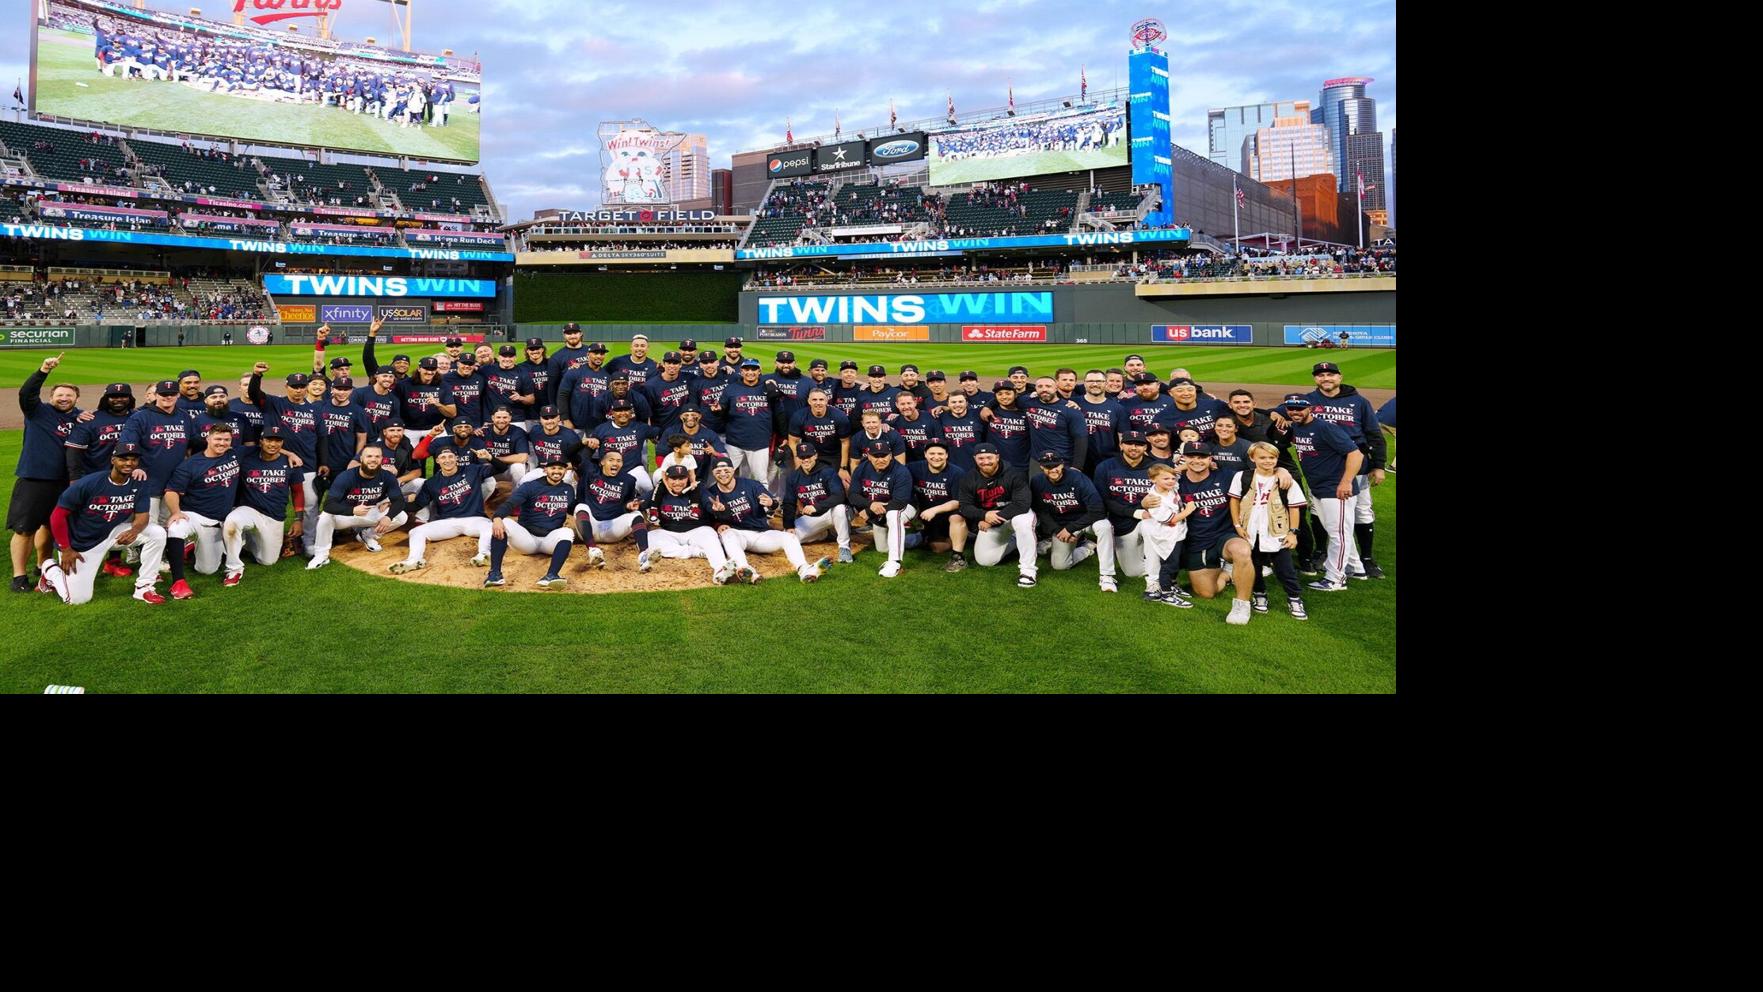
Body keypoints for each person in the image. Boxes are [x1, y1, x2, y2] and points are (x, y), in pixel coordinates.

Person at [40, 443, 167, 605]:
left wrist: (134, 530)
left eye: (133, 460)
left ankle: (144, 587)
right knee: (77, 599)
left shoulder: (138, 484)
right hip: (82, 543)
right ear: (113, 460)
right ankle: (50, 569)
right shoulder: (90, 483)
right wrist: (65, 548)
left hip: (112, 534)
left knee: (157, 533)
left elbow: (143, 516)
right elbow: (57, 516)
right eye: (124, 459)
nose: (129, 463)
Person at [1151, 441, 1259, 624]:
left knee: (1242, 551)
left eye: (1202, 457)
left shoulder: (1227, 476)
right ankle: (1228, 573)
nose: (1197, 460)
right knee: (1206, 593)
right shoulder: (1176, 483)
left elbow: (1262, 474)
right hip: (1196, 541)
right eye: (1192, 456)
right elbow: (1153, 489)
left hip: (1224, 535)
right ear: (1184, 458)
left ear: (1210, 459)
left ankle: (1242, 605)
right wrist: (1146, 503)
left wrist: (1282, 471)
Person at [1306, 361, 1387, 578]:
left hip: (1357, 465)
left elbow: (1374, 434)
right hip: (1322, 467)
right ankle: (1322, 552)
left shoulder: (1359, 402)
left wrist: (1378, 466)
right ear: (1315, 379)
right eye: (1321, 375)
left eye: (1330, 374)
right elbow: (1285, 413)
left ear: (1339, 377)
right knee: (1319, 511)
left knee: (1361, 510)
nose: (1326, 378)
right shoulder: (1309, 401)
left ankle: (1366, 558)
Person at [12, 353, 82, 592]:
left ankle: (43, 566)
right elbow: (26, 394)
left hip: (64, 482)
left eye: (69, 395)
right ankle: (19, 576)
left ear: (76, 399)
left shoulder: (79, 417)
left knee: (52, 526)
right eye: (60, 395)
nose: (64, 398)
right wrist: (43, 370)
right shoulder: (37, 412)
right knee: (25, 528)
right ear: (51, 397)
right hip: (35, 478)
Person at [1282, 393, 1365, 592]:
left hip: (1336, 488)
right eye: (1291, 408)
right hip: (1319, 488)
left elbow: (1356, 454)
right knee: (1337, 531)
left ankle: (1335, 579)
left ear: (1309, 408)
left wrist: (1345, 482)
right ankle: (1357, 568)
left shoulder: (1325, 428)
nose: (1295, 412)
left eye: (1300, 408)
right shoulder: (1296, 427)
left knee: (1339, 535)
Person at [701, 456, 826, 583]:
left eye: (726, 471)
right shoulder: (711, 493)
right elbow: (706, 518)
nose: (723, 474)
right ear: (713, 473)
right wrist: (718, 524)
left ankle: (804, 569)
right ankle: (746, 570)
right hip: (737, 535)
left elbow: (774, 504)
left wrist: (771, 502)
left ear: (733, 470)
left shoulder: (751, 485)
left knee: (789, 537)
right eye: (718, 472)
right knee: (727, 534)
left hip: (761, 533)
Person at [119, 379, 194, 567]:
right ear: (156, 395)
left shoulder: (184, 417)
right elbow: (127, 444)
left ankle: (158, 555)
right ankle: (149, 560)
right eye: (163, 394)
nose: (168, 397)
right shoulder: (141, 417)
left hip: (173, 481)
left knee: (165, 520)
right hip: (148, 479)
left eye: (172, 394)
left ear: (178, 395)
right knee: (149, 524)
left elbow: (191, 445)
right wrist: (135, 466)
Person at [1229, 441, 1308, 621]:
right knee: (1253, 566)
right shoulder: (1242, 477)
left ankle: (1294, 598)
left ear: (1277, 459)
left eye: (1271, 458)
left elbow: (1294, 508)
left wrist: (1292, 532)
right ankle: (1260, 594)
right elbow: (1234, 501)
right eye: (1262, 457)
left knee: (1285, 569)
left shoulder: (1285, 480)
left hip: (1276, 532)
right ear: (1252, 458)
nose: (1267, 461)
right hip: (1250, 531)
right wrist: (1237, 526)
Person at [161, 422, 241, 599]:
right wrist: (175, 512)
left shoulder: (235, 455)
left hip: (220, 521)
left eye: (226, 439)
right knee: (176, 527)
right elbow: (172, 491)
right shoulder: (191, 464)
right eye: (218, 439)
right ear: (208, 438)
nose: (222, 443)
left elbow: (268, 447)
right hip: (195, 515)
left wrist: (289, 453)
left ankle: (190, 547)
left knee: (207, 570)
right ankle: (178, 583)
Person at [391, 447, 495, 573]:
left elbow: (501, 468)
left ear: (457, 459)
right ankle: (414, 561)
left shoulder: (472, 470)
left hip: (474, 519)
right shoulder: (432, 483)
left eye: (451, 456)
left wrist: (490, 458)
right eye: (443, 457)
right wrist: (395, 505)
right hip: (448, 522)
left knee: (489, 527)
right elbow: (417, 505)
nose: (447, 460)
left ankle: (484, 554)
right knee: (416, 532)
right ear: (437, 461)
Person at [222, 425, 303, 586]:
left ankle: (246, 542)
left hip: (274, 516)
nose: (273, 444)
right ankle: (233, 569)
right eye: (269, 440)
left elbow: (298, 492)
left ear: (283, 443)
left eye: (278, 441)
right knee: (232, 522)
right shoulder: (246, 455)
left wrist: (298, 519)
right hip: (249, 509)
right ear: (261, 441)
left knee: (268, 561)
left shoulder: (291, 463)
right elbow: (223, 448)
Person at [308, 443, 409, 569]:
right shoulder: (346, 477)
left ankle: (368, 535)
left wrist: (388, 517)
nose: (373, 459)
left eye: (377, 456)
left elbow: (399, 501)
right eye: (369, 456)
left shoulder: (387, 476)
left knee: (401, 516)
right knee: (325, 517)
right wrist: (352, 510)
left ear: (382, 459)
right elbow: (328, 505)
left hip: (370, 511)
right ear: (361, 459)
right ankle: (321, 555)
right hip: (346, 515)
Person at [486, 457, 577, 589]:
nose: (557, 471)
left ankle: (551, 575)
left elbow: (571, 507)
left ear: (565, 471)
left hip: (549, 541)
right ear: (545, 470)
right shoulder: (530, 486)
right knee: (504, 522)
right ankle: (495, 574)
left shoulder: (568, 489)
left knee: (567, 532)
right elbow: (511, 503)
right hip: (526, 540)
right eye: (553, 468)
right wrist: (498, 517)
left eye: (560, 468)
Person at [956, 442, 1038, 588]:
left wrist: (992, 518)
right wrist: (983, 515)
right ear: (975, 459)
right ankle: (1019, 541)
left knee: (1023, 522)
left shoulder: (1015, 474)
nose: (985, 461)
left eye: (989, 457)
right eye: (981, 458)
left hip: (1015, 515)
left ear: (997, 457)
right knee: (985, 560)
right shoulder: (969, 478)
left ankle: (1028, 571)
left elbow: (1022, 504)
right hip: (990, 519)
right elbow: (964, 506)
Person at [644, 464, 736, 585]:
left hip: (697, 530)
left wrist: (716, 508)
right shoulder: (659, 490)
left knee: (710, 535)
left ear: (688, 478)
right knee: (649, 538)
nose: (678, 482)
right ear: (666, 479)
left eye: (682, 478)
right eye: (674, 478)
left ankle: (720, 569)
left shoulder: (698, 488)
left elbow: (711, 505)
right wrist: (631, 504)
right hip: (669, 532)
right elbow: (640, 502)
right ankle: (694, 552)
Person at [571, 448, 654, 571]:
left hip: (612, 529)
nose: (615, 463)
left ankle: (644, 555)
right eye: (611, 460)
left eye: (619, 461)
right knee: (581, 507)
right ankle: (593, 550)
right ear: (602, 462)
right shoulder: (590, 472)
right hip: (590, 527)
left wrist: (629, 506)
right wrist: (588, 446)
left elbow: (627, 503)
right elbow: (573, 455)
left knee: (636, 515)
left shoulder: (628, 480)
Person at [1029, 450, 1106, 582]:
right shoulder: (1037, 481)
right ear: (1041, 466)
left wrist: (1070, 529)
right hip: (1061, 526)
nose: (1053, 470)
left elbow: (1098, 510)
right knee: (1060, 565)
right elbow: (1041, 510)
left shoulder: (1078, 478)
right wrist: (1057, 530)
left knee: (1104, 526)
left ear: (1062, 464)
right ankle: (1086, 548)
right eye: (1048, 467)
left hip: (1084, 521)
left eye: (1056, 466)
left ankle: (1105, 569)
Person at [848, 438, 916, 577]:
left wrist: (869, 510)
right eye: (876, 456)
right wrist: (870, 505)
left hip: (905, 507)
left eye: (884, 455)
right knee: (882, 548)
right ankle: (918, 538)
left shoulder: (901, 471)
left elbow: (900, 501)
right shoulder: (861, 468)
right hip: (876, 508)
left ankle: (895, 562)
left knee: (893, 516)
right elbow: (853, 495)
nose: (881, 459)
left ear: (890, 455)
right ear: (869, 456)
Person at [782, 441, 852, 564]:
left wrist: (816, 507)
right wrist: (789, 526)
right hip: (813, 518)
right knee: (787, 538)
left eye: (808, 456)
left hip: (832, 513)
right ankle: (824, 534)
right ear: (798, 458)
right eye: (802, 457)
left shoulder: (827, 471)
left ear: (815, 455)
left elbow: (839, 496)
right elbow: (789, 502)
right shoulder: (793, 477)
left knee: (840, 508)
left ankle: (844, 548)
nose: (805, 460)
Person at [1138, 462, 1195, 607]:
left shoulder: (1170, 487)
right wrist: (1188, 510)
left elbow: (1177, 474)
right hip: (1165, 536)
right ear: (1153, 479)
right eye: (1166, 479)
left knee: (1177, 563)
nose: (1171, 481)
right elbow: (1171, 520)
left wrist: (1183, 466)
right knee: (1169, 565)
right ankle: (1166, 593)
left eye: (1172, 478)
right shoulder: (1154, 499)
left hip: (1178, 534)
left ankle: (1172, 585)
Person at [909, 439, 969, 572]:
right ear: (925, 454)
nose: (936, 457)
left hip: (949, 515)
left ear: (947, 455)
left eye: (940, 454)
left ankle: (958, 553)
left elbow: (958, 501)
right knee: (937, 548)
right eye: (932, 453)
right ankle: (925, 535)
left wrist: (935, 510)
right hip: (927, 517)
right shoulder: (913, 468)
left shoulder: (957, 473)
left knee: (941, 545)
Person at [719, 358, 777, 486]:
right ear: (741, 371)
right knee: (723, 475)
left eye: (754, 369)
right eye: (747, 369)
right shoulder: (731, 389)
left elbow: (778, 411)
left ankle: (764, 506)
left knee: (761, 480)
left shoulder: (768, 387)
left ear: (759, 371)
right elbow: (722, 412)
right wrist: (717, 410)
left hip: (759, 443)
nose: (750, 372)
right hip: (734, 442)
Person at [583, 399, 656, 497]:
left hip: (633, 469)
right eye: (619, 410)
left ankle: (647, 509)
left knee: (647, 486)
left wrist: (658, 437)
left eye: (626, 410)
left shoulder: (641, 428)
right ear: (612, 413)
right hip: (609, 470)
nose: (623, 413)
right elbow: (588, 453)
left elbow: (660, 433)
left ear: (631, 412)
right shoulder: (601, 429)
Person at [1023, 376, 1087, 477]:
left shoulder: (1070, 409)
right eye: (1040, 386)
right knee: (1036, 489)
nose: (1044, 389)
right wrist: (988, 406)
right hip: (1037, 461)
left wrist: (1077, 466)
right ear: (1035, 389)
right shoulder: (1028, 402)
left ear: (1056, 388)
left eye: (1048, 386)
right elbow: (1010, 399)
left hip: (1062, 461)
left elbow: (1081, 439)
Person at [788, 388, 852, 479]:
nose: (818, 403)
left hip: (834, 455)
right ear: (809, 401)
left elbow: (845, 442)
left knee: (843, 483)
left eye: (821, 400)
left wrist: (843, 468)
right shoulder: (799, 416)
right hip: (809, 455)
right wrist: (798, 464)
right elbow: (793, 442)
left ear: (826, 401)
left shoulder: (839, 416)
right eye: (814, 400)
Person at [887, 388, 943, 462]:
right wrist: (884, 424)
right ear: (897, 405)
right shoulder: (894, 422)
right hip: (907, 465)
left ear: (915, 402)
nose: (906, 407)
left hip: (929, 463)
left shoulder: (931, 418)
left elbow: (940, 443)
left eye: (909, 403)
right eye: (902, 404)